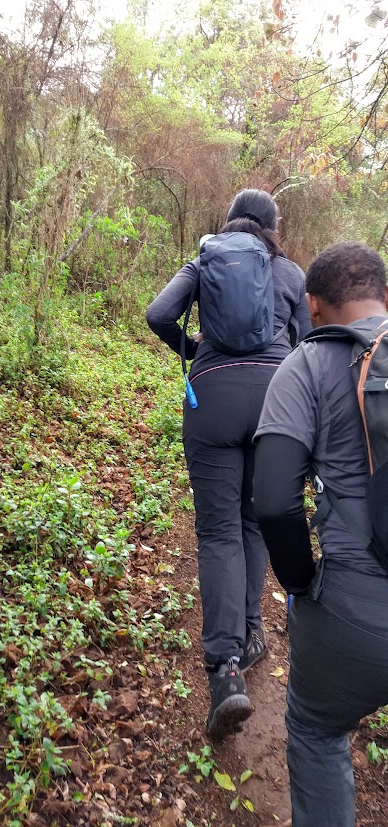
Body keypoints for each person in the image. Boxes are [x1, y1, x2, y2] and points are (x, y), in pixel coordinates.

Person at [146, 189, 312, 738]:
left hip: (213, 398)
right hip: (277, 402)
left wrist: (194, 349)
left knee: (218, 533)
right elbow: (309, 345)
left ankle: (225, 672)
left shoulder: (206, 261)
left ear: (230, 221)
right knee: (253, 522)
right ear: (271, 226)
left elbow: (158, 314)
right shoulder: (290, 273)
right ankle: (253, 629)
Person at [253, 241, 388, 827]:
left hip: (354, 615)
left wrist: (303, 586)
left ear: (311, 305)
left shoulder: (306, 365)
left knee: (316, 729)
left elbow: (274, 501)